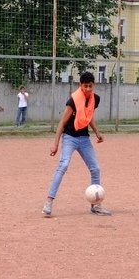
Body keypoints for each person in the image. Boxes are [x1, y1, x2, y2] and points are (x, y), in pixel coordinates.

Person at [43, 72, 111, 217]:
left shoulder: (95, 99)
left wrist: (97, 132)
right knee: (63, 165)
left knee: (95, 168)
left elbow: (89, 116)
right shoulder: (73, 101)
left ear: (94, 85)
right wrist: (55, 144)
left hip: (84, 138)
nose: (87, 89)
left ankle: (96, 205)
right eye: (85, 86)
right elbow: (62, 122)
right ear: (80, 86)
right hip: (69, 137)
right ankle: (49, 201)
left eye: (90, 86)